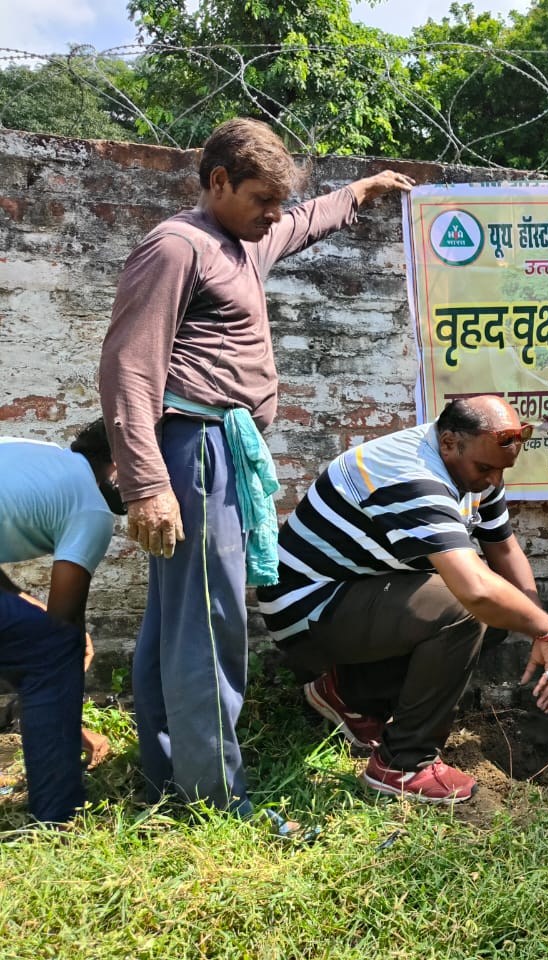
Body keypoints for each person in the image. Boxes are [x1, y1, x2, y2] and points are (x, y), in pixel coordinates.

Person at [99, 117, 416, 814]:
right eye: (261, 198)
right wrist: (147, 484)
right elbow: (129, 366)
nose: (274, 213)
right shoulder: (178, 247)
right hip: (195, 452)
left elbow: (302, 223)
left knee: (177, 622)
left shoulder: (241, 240)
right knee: (209, 625)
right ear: (218, 182)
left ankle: (169, 778)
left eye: (278, 200)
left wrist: (360, 190)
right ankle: (215, 798)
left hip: (220, 449)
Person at [256, 396, 548, 804]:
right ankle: (402, 763)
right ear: (449, 443)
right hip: (306, 610)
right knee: (465, 608)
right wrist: (546, 629)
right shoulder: (413, 474)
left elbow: (503, 548)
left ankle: (350, 694)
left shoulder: (475, 467)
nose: (494, 480)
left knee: (502, 612)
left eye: (502, 470)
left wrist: (540, 624)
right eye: (486, 469)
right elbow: (475, 590)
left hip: (359, 593)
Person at [0, 419, 124, 825]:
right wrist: (72, 730)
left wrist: (26, 603)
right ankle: (57, 820)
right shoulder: (91, 507)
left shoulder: (35, 455)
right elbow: (62, 628)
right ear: (120, 465)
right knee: (56, 649)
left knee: (35, 639)